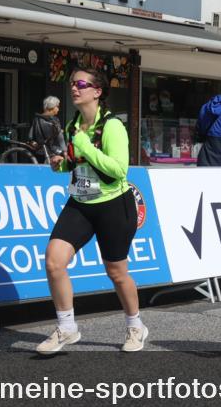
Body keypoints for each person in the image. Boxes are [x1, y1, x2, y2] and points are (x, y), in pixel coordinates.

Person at [37, 69, 146, 354]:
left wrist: (85, 146)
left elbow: (119, 169)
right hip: (81, 202)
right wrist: (62, 163)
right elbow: (78, 162)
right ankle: (67, 327)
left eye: (81, 84)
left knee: (116, 272)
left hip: (113, 204)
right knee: (54, 261)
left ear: (97, 92)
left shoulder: (112, 126)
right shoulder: (73, 125)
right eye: (72, 84)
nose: (74, 88)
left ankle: (135, 325)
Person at [28, 96, 67, 161]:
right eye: (57, 106)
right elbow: (60, 138)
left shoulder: (36, 119)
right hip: (54, 153)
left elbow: (30, 136)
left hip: (40, 152)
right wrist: (65, 151)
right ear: (52, 107)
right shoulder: (54, 120)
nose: (58, 109)